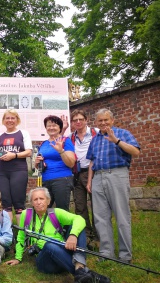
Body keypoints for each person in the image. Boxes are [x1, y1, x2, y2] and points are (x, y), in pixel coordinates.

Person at [6, 187, 110, 283]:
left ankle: (79, 268)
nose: (38, 202)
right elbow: (21, 236)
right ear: (31, 203)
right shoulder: (26, 214)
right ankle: (84, 273)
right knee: (49, 245)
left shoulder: (56, 213)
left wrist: (73, 235)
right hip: (45, 261)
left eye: (41, 199)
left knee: (78, 227)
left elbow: (80, 219)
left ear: (48, 201)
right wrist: (17, 258)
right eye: (35, 199)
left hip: (62, 252)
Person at [86, 108, 140, 263]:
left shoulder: (122, 133)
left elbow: (135, 152)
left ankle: (125, 256)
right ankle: (106, 252)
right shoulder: (95, 139)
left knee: (122, 216)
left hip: (117, 175)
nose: (103, 123)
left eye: (106, 120)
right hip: (98, 177)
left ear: (112, 120)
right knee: (100, 217)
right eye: (100, 120)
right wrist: (90, 181)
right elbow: (91, 162)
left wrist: (116, 140)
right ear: (96, 123)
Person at [0, 110, 33, 223]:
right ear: (3, 121)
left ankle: (22, 234)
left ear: (17, 120)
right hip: (1, 171)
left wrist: (14, 155)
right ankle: (8, 234)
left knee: (18, 203)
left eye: (13, 118)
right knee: (5, 202)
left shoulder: (23, 133)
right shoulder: (0, 135)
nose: (10, 120)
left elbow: (29, 152)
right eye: (7, 118)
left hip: (18, 170)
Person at [62, 110, 99, 240]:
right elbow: (59, 144)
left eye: (80, 119)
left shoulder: (96, 133)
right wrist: (64, 129)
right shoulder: (71, 137)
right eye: (75, 120)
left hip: (94, 173)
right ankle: (86, 236)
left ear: (86, 120)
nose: (78, 122)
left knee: (97, 206)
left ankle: (99, 236)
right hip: (77, 174)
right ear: (72, 123)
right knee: (80, 207)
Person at [35, 115, 75, 211]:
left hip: (61, 179)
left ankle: (65, 227)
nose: (51, 128)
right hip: (45, 180)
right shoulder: (44, 144)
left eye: (54, 125)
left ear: (59, 128)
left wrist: (61, 151)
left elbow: (71, 163)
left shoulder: (65, 141)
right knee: (42, 210)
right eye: (48, 125)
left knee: (62, 210)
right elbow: (38, 167)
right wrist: (37, 163)